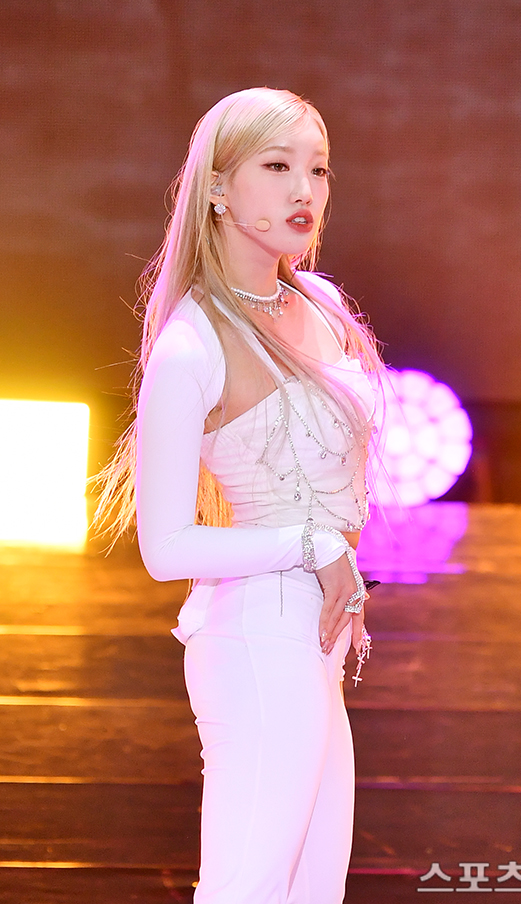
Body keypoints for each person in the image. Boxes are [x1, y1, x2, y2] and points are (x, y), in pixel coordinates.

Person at [96, 87, 384, 903]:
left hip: (314, 642)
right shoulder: (191, 346)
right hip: (257, 638)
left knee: (310, 891)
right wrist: (312, 544)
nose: (305, 190)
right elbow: (165, 547)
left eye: (318, 169)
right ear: (218, 187)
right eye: (277, 166)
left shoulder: (320, 303)